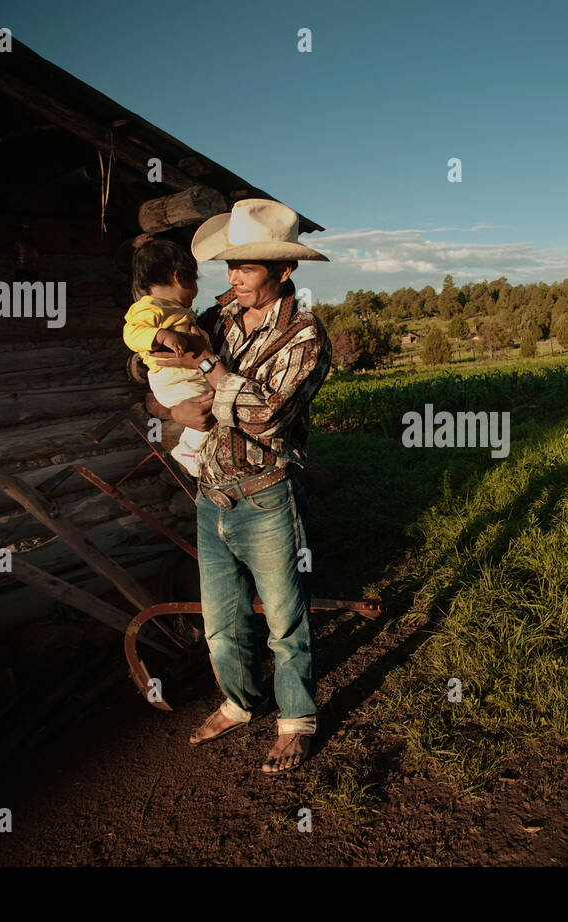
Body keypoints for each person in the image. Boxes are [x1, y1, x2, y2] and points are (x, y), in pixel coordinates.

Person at [155, 198, 332, 773]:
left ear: (285, 271)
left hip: (265, 493)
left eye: (248, 267)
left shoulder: (304, 335)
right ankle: (238, 702)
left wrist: (208, 366)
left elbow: (265, 415)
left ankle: (297, 721)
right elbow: (157, 368)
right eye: (230, 265)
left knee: (285, 621)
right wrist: (167, 408)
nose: (233, 277)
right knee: (221, 624)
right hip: (212, 493)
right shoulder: (218, 314)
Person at [121, 240, 211, 476]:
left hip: (185, 376)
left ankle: (192, 448)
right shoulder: (149, 307)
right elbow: (131, 333)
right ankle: (189, 450)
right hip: (173, 378)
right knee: (213, 409)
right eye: (195, 282)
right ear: (180, 278)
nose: (196, 291)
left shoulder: (172, 308)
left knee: (212, 407)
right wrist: (161, 335)